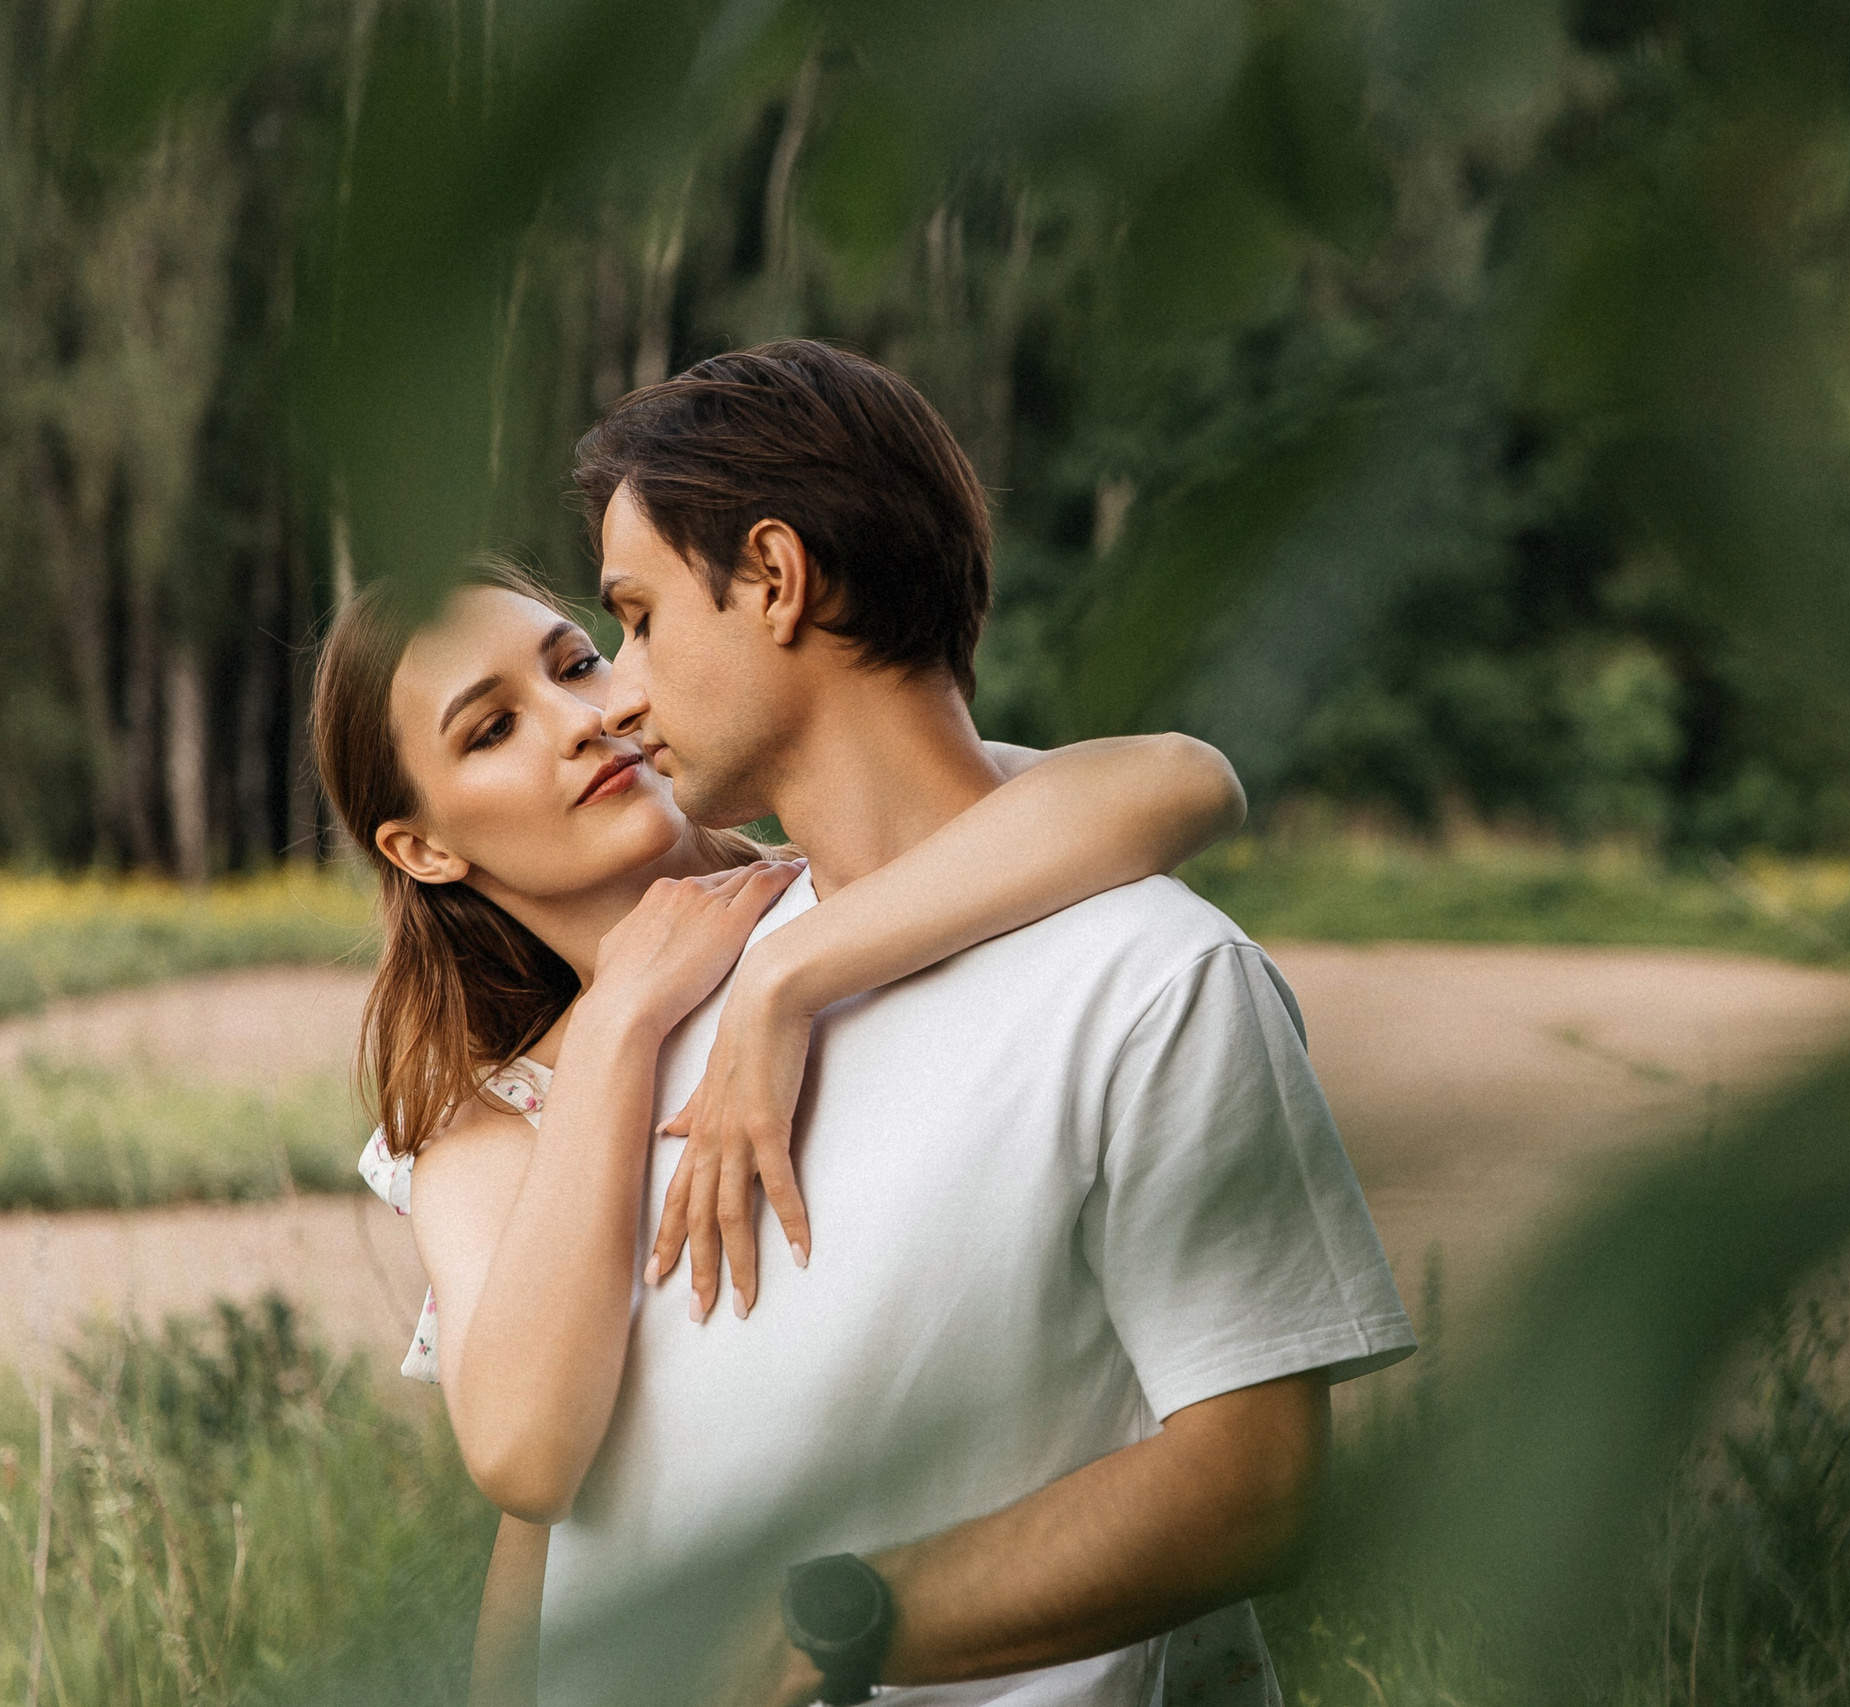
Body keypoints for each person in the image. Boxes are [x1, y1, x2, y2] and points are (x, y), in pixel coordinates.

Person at [558, 339, 1413, 1707]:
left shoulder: (1150, 981)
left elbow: (1255, 1483)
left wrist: (826, 1627)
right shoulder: (690, 970)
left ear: (776, 576)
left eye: (642, 616)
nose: (618, 685)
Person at [315, 559, 1256, 1702]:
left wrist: (789, 975)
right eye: (494, 729)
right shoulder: (493, 1121)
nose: (585, 718)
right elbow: (529, 1463)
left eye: (578, 662)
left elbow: (1182, 781)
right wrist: (620, 1022)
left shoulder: (864, 865)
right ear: (422, 849)